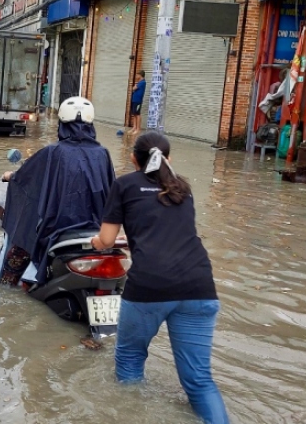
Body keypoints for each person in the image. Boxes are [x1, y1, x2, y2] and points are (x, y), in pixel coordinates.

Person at [92, 132, 229, 424]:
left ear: (133, 159)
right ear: (169, 158)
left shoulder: (125, 185)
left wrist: (95, 243)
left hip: (149, 287)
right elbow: (169, 229)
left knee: (129, 365)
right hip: (199, 286)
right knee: (199, 381)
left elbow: (106, 239)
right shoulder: (183, 188)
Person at [0, 97, 115, 286]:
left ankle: (5, 292)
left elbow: (26, 177)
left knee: (17, 255)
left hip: (56, 229)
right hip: (97, 230)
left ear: (61, 123)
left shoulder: (52, 152)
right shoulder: (103, 154)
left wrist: (10, 176)